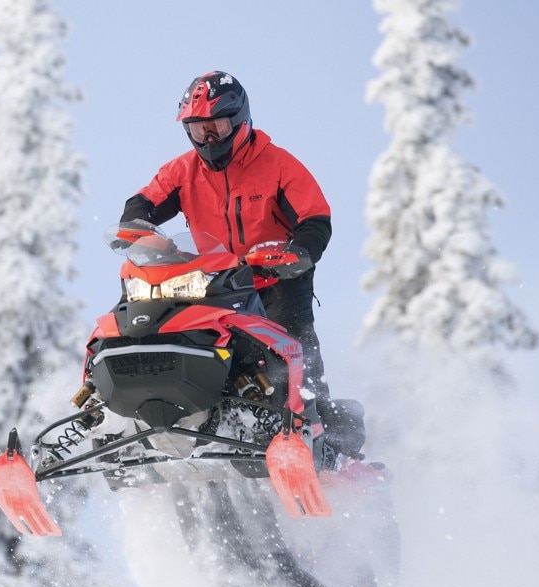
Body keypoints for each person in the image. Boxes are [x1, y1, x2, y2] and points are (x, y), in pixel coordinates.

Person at [119, 70, 366, 461]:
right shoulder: (183, 171)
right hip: (215, 280)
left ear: (240, 121)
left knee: (293, 348)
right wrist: (136, 225)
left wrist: (299, 252)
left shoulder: (278, 164)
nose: (209, 138)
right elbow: (145, 200)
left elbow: (315, 218)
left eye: (216, 126)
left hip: (277, 278)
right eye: (198, 130)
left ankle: (318, 436)